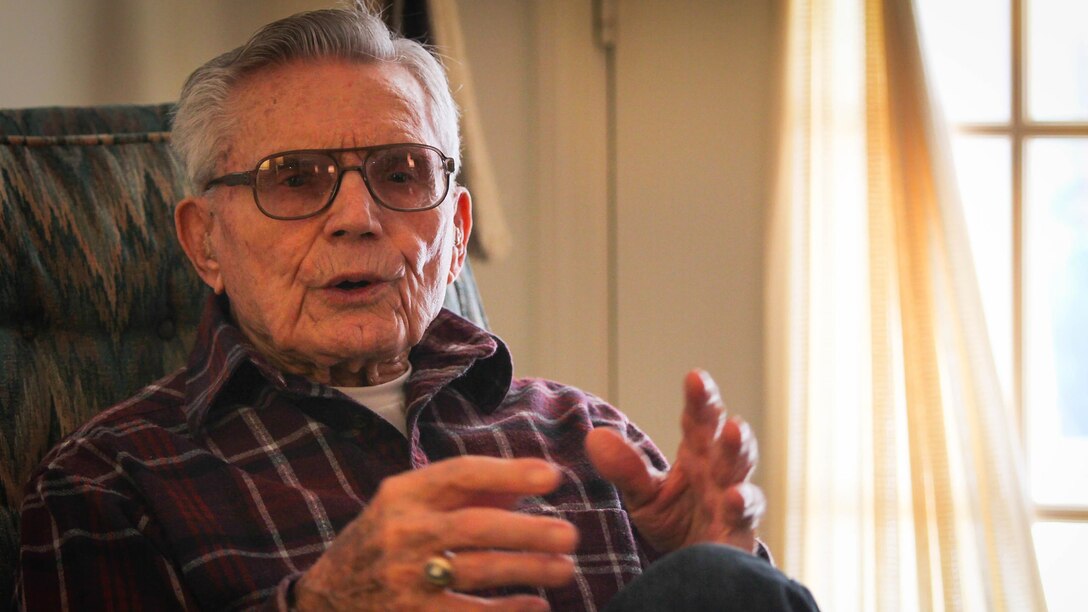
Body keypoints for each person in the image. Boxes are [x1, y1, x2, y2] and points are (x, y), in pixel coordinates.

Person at [16, 6, 818, 611]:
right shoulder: (108, 484)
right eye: (294, 178)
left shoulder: (585, 441)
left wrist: (730, 562)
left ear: (457, 229)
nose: (358, 216)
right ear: (205, 243)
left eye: (401, 173)